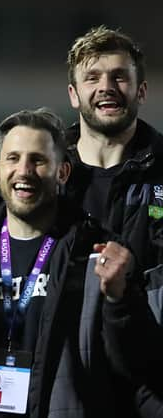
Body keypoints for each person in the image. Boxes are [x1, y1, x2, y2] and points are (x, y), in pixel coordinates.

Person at [0, 108, 151, 417]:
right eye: (13, 158)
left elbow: (139, 368)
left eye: (38, 160)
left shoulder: (100, 256)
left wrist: (120, 300)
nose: (24, 170)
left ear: (62, 172)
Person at [65, 26, 163, 415]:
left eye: (119, 76)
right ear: (74, 95)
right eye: (92, 77)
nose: (106, 86)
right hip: (65, 382)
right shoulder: (43, 176)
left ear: (141, 90)